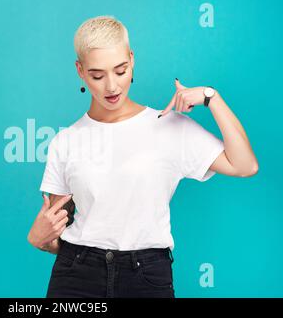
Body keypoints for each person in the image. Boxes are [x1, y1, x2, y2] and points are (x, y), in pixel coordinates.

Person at [27, 15, 259, 298]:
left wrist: (212, 98)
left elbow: (245, 165)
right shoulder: (65, 141)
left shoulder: (169, 126)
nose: (111, 86)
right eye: (98, 76)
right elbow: (56, 233)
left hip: (146, 277)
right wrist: (39, 239)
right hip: (76, 275)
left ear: (132, 59)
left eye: (120, 70)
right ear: (81, 71)